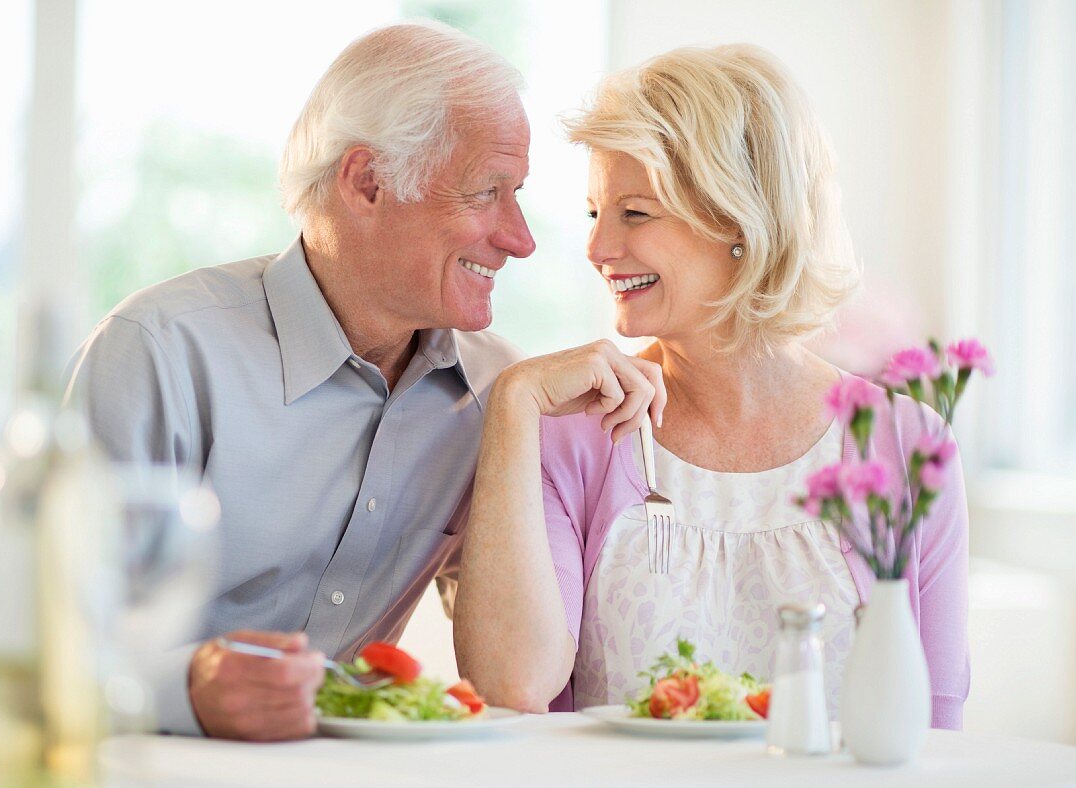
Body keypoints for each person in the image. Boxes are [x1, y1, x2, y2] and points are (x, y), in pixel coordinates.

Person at [62, 21, 560, 741]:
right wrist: (188, 690)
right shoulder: (161, 352)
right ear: (367, 182)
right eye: (487, 193)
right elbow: (30, 652)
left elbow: (516, 667)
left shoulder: (496, 390)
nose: (520, 238)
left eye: (517, 195)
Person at [453, 44, 970, 729]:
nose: (598, 247)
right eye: (593, 213)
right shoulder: (573, 435)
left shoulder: (904, 444)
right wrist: (514, 401)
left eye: (634, 213)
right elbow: (512, 684)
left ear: (737, 219)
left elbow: (932, 728)